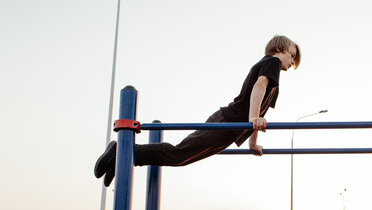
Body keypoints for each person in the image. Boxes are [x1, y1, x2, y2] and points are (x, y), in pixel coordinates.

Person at [94, 35, 301, 187]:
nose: (292, 62)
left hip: (229, 129)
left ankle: (122, 158)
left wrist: (253, 142)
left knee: (181, 156)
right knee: (179, 154)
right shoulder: (272, 63)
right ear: (280, 49)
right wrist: (253, 118)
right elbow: (258, 87)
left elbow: (260, 112)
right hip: (226, 124)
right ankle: (121, 152)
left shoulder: (275, 82)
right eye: (291, 56)